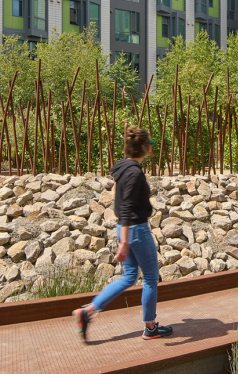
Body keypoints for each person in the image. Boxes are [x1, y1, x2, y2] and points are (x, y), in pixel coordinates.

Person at [73, 126, 173, 342]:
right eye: (150, 144)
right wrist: (124, 243)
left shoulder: (124, 167)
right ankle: (150, 327)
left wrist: (124, 238)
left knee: (129, 277)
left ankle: (88, 311)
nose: (152, 147)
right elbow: (127, 207)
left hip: (124, 228)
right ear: (143, 148)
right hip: (135, 229)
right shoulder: (134, 173)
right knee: (150, 278)